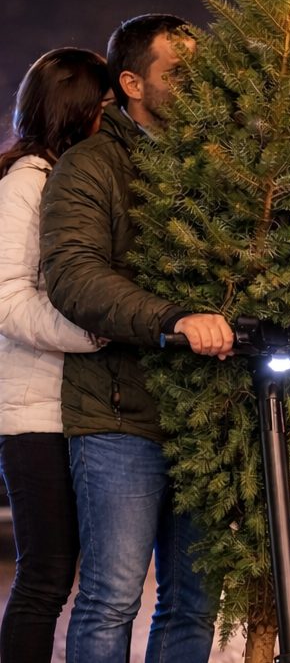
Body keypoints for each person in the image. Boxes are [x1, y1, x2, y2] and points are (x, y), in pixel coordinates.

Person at [39, 14, 290, 663]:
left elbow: (281, 252)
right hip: (119, 416)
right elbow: (76, 276)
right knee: (112, 596)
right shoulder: (92, 167)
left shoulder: (223, 167)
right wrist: (173, 319)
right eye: (179, 72)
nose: (200, 84)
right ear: (132, 82)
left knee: (193, 601)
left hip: (208, 419)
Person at [0, 48, 110, 663]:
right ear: (82, 113)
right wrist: (96, 331)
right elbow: (9, 302)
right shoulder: (26, 185)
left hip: (72, 403)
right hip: (33, 412)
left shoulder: (66, 179)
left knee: (70, 576)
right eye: (104, 108)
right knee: (44, 576)